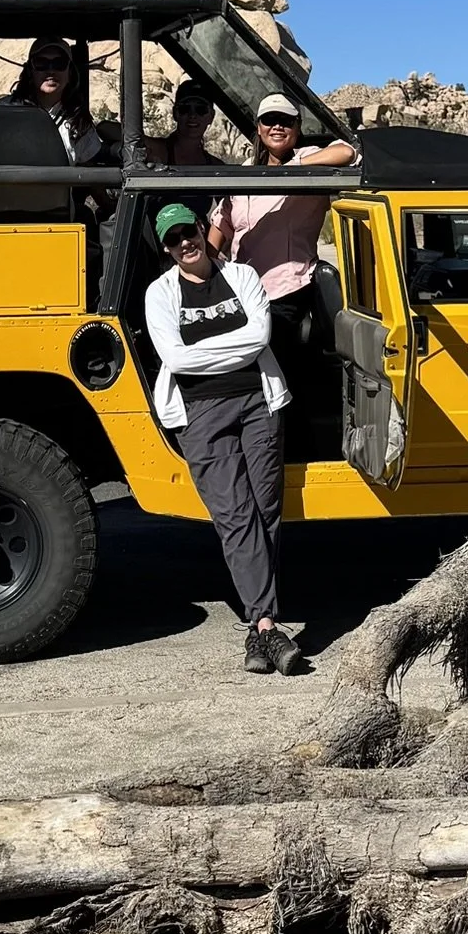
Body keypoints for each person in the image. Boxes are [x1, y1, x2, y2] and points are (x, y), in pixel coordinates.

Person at [143, 202, 306, 676]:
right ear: (166, 248)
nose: (185, 244)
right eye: (173, 240)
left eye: (189, 232)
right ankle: (268, 625)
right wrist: (216, 352)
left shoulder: (242, 276)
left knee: (266, 509)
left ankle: (261, 630)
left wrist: (202, 351)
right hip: (201, 414)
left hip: (259, 403)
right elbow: (176, 357)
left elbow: (258, 339)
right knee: (235, 515)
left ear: (201, 230)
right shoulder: (160, 293)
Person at [207, 94, 357, 412]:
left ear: (297, 128)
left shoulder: (307, 159)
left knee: (275, 383)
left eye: (286, 121)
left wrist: (295, 167)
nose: (277, 126)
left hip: (285, 294)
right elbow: (221, 223)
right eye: (269, 120)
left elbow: (348, 152)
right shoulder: (245, 171)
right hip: (242, 294)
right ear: (258, 127)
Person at [0, 37, 106, 164]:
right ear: (30, 71)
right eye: (41, 63)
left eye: (59, 63)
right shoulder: (4, 111)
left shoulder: (79, 122)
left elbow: (90, 171)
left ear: (70, 72)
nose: (51, 70)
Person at [143, 79, 227, 220]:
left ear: (211, 116)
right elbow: (106, 129)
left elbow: (229, 216)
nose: (192, 115)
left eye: (200, 109)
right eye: (185, 109)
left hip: (195, 239)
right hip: (157, 239)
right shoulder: (159, 151)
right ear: (175, 113)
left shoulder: (215, 166)